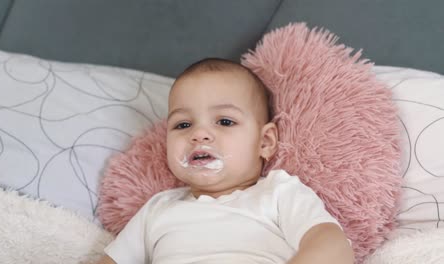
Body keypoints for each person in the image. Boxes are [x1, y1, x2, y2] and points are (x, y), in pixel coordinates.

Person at [98, 58, 354, 264]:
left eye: (225, 121)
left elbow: (332, 245)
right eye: (183, 124)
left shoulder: (279, 192)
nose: (199, 134)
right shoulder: (158, 209)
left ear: (264, 142)